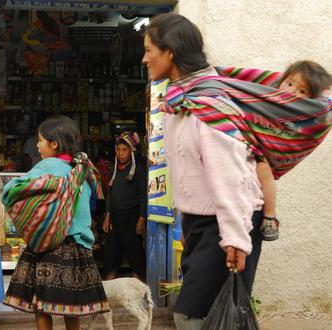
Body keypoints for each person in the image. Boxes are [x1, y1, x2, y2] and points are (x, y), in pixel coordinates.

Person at [142, 14, 265, 329]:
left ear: (170, 52)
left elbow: (232, 180)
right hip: (200, 222)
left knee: (190, 314)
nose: (144, 59)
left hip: (226, 222)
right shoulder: (178, 104)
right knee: (208, 315)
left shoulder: (208, 105)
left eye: (149, 50)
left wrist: (235, 239)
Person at [2, 115, 110, 330]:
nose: (37, 145)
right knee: (72, 306)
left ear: (54, 143)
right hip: (78, 246)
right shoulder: (82, 170)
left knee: (42, 305)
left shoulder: (47, 165)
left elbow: (10, 191)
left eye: (40, 140)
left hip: (50, 244)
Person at [257, 60, 332, 241]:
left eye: (302, 91)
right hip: (248, 143)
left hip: (262, 157)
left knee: (262, 168)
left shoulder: (307, 114)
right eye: (290, 84)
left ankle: (270, 217)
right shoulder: (263, 95)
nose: (291, 92)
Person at [102, 132, 147, 281]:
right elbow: (110, 193)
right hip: (115, 218)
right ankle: (111, 294)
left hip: (132, 219)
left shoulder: (138, 169)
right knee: (111, 256)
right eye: (118, 150)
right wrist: (107, 214)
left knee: (135, 256)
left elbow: (143, 194)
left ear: (131, 151)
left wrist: (142, 217)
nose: (121, 154)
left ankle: (139, 293)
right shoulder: (114, 169)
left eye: (124, 150)